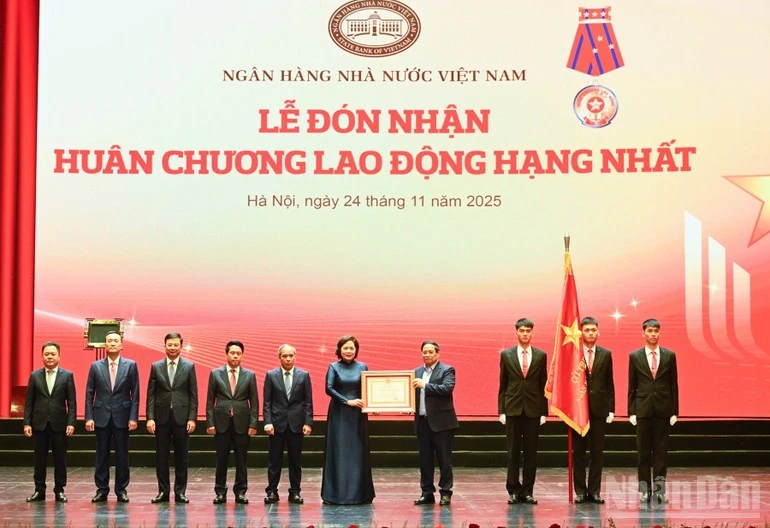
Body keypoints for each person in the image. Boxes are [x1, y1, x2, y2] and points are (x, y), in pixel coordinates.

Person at [85, 330, 140, 503]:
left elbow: (135, 393)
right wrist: (89, 417)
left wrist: (133, 417)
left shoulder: (131, 365)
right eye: (110, 341)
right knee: (101, 455)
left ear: (121, 345)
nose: (113, 343)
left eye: (116, 341)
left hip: (122, 416)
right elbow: (89, 393)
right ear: (105, 344)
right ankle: (102, 490)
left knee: (122, 455)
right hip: (101, 416)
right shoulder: (95, 366)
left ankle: (121, 490)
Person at [628, 318, 679, 505]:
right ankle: (644, 491)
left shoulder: (669, 355)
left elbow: (673, 385)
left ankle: (659, 491)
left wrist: (674, 411)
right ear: (643, 333)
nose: (653, 334)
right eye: (649, 331)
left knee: (661, 453)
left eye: (656, 331)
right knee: (643, 453)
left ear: (660, 333)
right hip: (643, 410)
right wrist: (631, 411)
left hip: (663, 410)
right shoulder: (635, 356)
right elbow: (632, 385)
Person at [498, 318, 548, 505]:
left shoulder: (541, 355)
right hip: (512, 408)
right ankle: (513, 490)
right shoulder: (506, 355)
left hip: (533, 409)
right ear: (516, 332)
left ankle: (527, 491)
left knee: (531, 453)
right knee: (513, 452)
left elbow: (543, 384)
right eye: (522, 331)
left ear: (532, 333)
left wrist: (544, 411)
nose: (525, 334)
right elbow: (503, 384)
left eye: (528, 331)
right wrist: (501, 410)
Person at [320, 335, 375, 505]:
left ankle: (360, 494)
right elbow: (329, 388)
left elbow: (368, 388)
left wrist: (374, 404)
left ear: (356, 350)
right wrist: (346, 401)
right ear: (339, 350)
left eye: (352, 348)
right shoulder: (333, 367)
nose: (349, 351)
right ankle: (335, 495)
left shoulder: (362, 366)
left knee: (358, 452)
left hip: (358, 414)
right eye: (346, 348)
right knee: (339, 452)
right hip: (339, 414)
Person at [146, 332, 198, 504]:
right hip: (161, 418)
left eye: (176, 345)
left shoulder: (189, 367)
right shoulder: (156, 366)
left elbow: (193, 394)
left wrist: (192, 418)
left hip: (182, 418)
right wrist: (150, 417)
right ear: (165, 346)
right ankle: (163, 492)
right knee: (161, 457)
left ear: (181, 347)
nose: (173, 348)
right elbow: (151, 394)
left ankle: (180, 492)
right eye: (170, 345)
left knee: (182, 457)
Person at [206, 340, 259, 505]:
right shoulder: (216, 374)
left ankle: (241, 492)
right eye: (232, 353)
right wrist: (210, 423)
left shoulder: (249, 375)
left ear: (242, 355)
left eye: (238, 353)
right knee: (221, 459)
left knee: (241, 460)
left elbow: (254, 402)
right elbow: (210, 401)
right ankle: (220, 492)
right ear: (226, 354)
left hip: (242, 423)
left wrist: (253, 424)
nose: (235, 356)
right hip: (221, 423)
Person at [23, 341, 77, 503]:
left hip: (59, 424)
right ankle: (39, 490)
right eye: (46, 354)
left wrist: (71, 423)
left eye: (53, 354)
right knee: (39, 460)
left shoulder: (67, 376)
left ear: (59, 356)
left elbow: (72, 403)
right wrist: (27, 423)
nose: (50, 357)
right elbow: (29, 402)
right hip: (39, 425)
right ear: (42, 356)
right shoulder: (35, 376)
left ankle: (59, 490)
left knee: (60, 459)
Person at [263, 344, 314, 504]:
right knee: (274, 460)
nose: (288, 359)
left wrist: (308, 423)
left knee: (295, 461)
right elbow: (267, 402)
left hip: (296, 424)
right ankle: (272, 491)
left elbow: (308, 402)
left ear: (295, 356)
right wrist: (267, 422)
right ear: (279, 357)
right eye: (285, 356)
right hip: (276, 424)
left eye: (291, 355)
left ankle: (295, 492)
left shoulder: (304, 375)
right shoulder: (271, 375)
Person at [572, 316, 615, 504]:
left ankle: (595, 491)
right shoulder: (573, 354)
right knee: (579, 453)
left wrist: (611, 409)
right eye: (587, 330)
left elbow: (609, 383)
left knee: (597, 452)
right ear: (581, 332)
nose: (590, 333)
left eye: (593, 330)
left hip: (599, 410)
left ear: (598, 332)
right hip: (578, 410)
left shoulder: (605, 354)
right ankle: (581, 491)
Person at [412, 340, 459, 506]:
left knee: (444, 460)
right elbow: (411, 394)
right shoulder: (416, 372)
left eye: (430, 352)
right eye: (424, 352)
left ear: (437, 354)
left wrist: (425, 385)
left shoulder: (447, 370)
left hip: (442, 424)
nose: (427, 355)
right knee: (425, 461)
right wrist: (407, 405)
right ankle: (427, 493)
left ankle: (445, 492)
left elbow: (447, 388)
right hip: (422, 422)